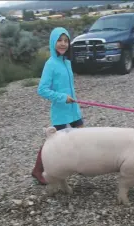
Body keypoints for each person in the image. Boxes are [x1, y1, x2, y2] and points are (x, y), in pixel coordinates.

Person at [32, 27, 84, 185]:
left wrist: (72, 99)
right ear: (53, 42)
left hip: (73, 109)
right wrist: (62, 97)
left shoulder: (66, 61)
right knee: (53, 142)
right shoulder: (51, 64)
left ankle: (82, 166)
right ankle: (37, 170)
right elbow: (42, 90)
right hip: (60, 111)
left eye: (66, 40)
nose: (63, 44)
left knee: (82, 136)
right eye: (59, 40)